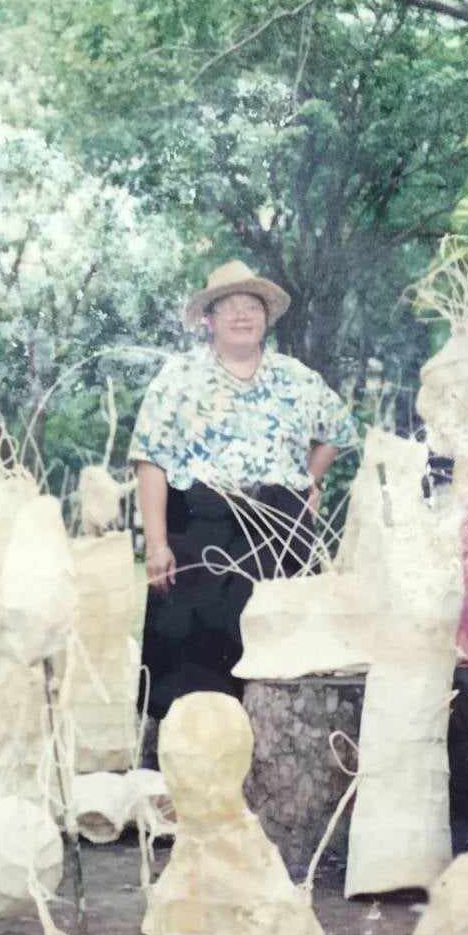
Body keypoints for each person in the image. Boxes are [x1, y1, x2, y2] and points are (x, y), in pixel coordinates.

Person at [128, 261, 358, 720]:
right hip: (201, 530)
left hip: (279, 534)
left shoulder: (295, 378)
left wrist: (307, 481)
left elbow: (339, 430)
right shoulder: (178, 379)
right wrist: (156, 543)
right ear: (209, 320)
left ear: (265, 318)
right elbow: (150, 458)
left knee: (281, 660)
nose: (241, 315)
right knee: (194, 667)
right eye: (228, 306)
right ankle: (188, 757)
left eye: (252, 306)